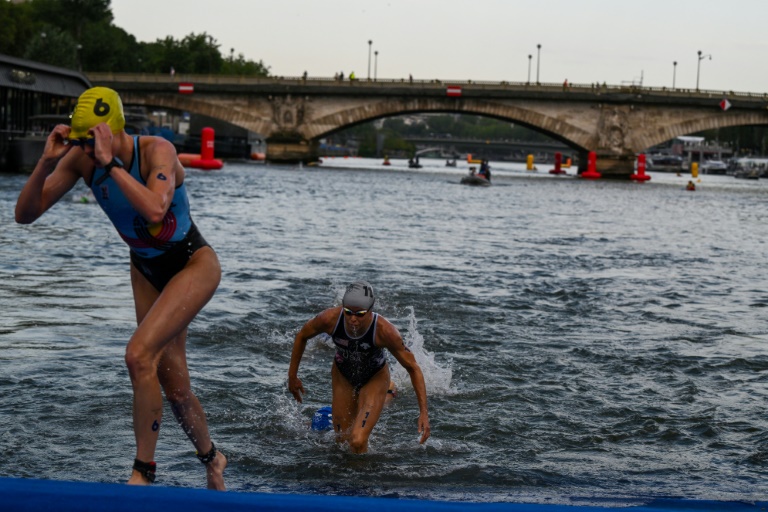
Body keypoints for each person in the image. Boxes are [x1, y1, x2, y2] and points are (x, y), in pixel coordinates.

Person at [14, 87, 226, 490]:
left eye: (94, 141)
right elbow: (26, 214)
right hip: (146, 269)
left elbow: (155, 209)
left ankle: (142, 473)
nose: (88, 150)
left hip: (193, 263)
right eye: (83, 142)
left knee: (138, 355)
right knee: (175, 385)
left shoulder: (157, 151)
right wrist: (45, 163)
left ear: (113, 131)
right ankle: (213, 459)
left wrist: (111, 165)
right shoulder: (82, 160)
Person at [288, 281, 430, 453]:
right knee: (342, 441)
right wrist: (292, 376)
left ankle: (364, 478)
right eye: (348, 312)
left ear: (371, 311)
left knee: (357, 441)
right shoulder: (329, 319)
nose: (353, 319)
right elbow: (302, 336)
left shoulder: (385, 331)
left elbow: (413, 368)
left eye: (360, 314)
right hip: (343, 375)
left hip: (374, 377)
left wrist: (423, 412)